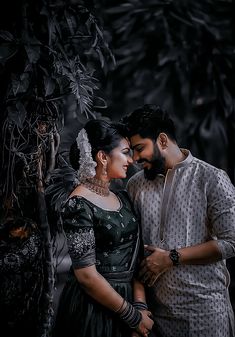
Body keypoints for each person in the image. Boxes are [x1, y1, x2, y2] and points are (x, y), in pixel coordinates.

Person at [122, 104, 235, 337]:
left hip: (206, 315)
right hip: (158, 320)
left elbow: (231, 242)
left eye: (139, 148)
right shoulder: (135, 185)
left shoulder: (211, 179)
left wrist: (171, 258)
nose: (134, 158)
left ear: (162, 140)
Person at [51, 119, 154, 337]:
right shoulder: (78, 204)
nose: (131, 160)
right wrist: (132, 317)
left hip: (133, 301)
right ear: (102, 156)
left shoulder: (124, 198)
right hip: (94, 308)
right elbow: (87, 276)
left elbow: (137, 257)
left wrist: (141, 308)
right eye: (125, 152)